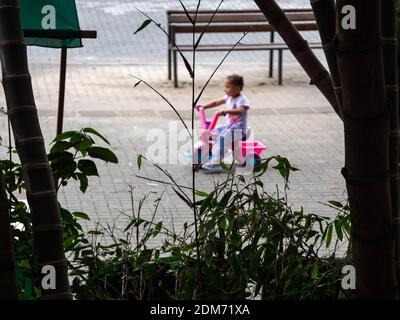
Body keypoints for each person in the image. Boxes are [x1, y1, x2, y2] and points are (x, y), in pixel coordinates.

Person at [195, 74, 250, 171]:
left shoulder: (242, 100)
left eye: (228, 87)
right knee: (211, 132)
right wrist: (203, 107)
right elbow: (216, 102)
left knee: (221, 139)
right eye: (225, 86)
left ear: (237, 89)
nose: (225, 89)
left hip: (239, 130)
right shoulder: (229, 97)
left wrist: (225, 111)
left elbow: (240, 111)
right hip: (229, 126)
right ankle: (209, 155)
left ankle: (215, 164)